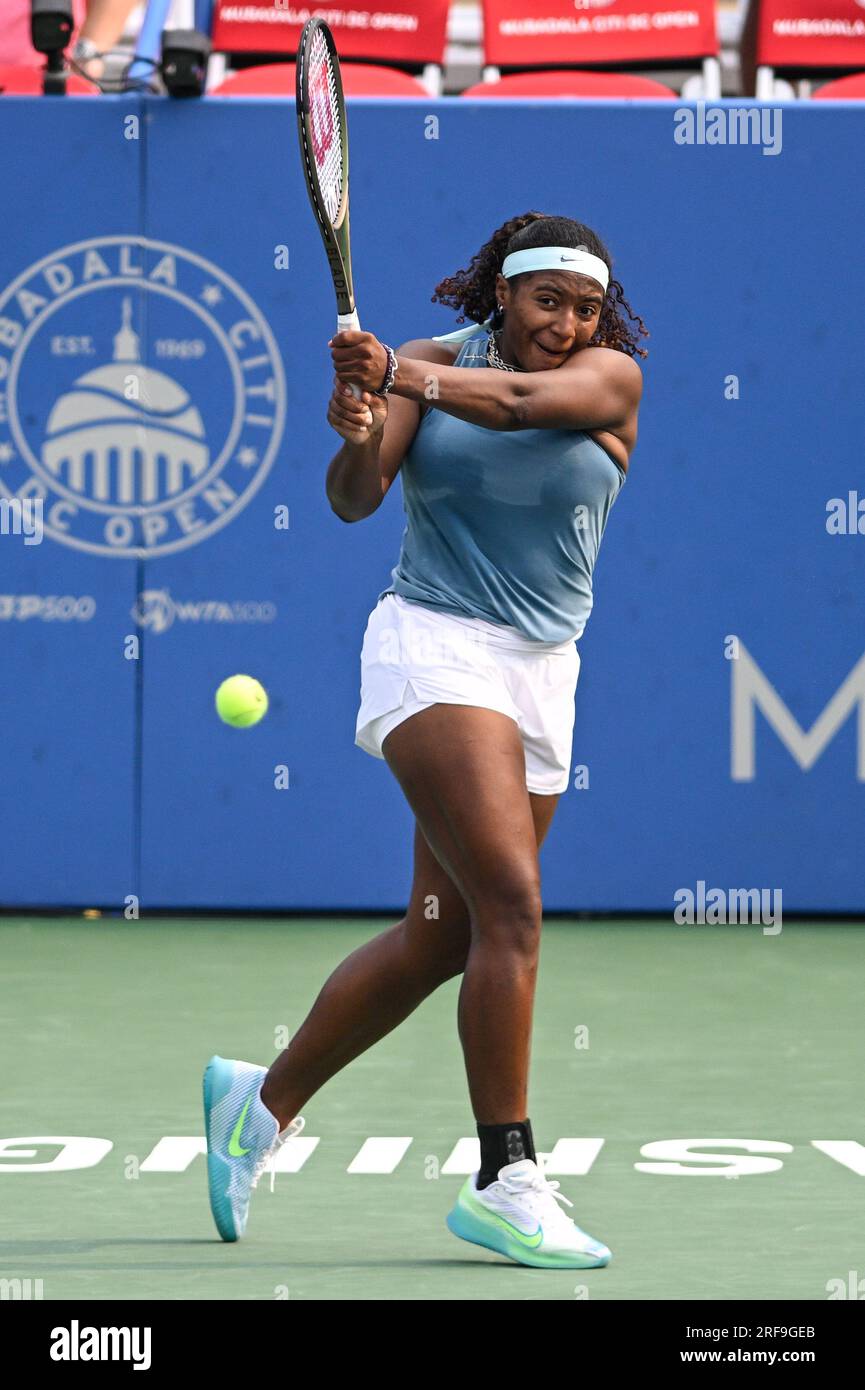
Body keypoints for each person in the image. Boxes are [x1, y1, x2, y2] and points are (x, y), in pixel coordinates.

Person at [203, 211, 647, 1269]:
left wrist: (402, 372)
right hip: (433, 648)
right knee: (512, 906)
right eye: (548, 300)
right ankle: (505, 1175)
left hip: (545, 673)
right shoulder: (419, 367)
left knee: (443, 937)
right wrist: (360, 418)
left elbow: (520, 405)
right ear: (503, 292)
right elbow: (352, 501)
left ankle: (256, 1104)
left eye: (585, 306)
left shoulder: (609, 379)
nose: (567, 323)